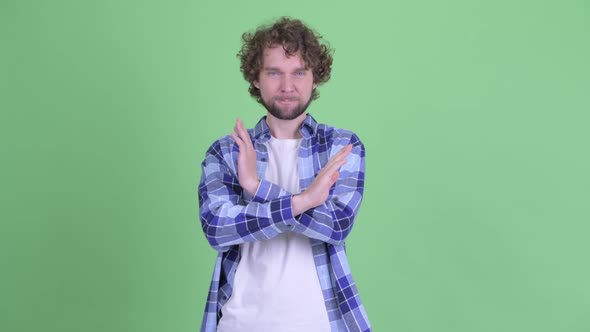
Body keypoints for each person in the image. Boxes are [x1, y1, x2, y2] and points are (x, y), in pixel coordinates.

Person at [198, 17, 371, 332]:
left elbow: (335, 226)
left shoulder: (341, 148)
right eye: (274, 72)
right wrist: (305, 200)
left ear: (315, 78)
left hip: (319, 323)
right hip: (240, 323)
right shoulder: (226, 152)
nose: (287, 86)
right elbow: (218, 229)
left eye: (299, 72)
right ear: (256, 78)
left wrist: (256, 187)